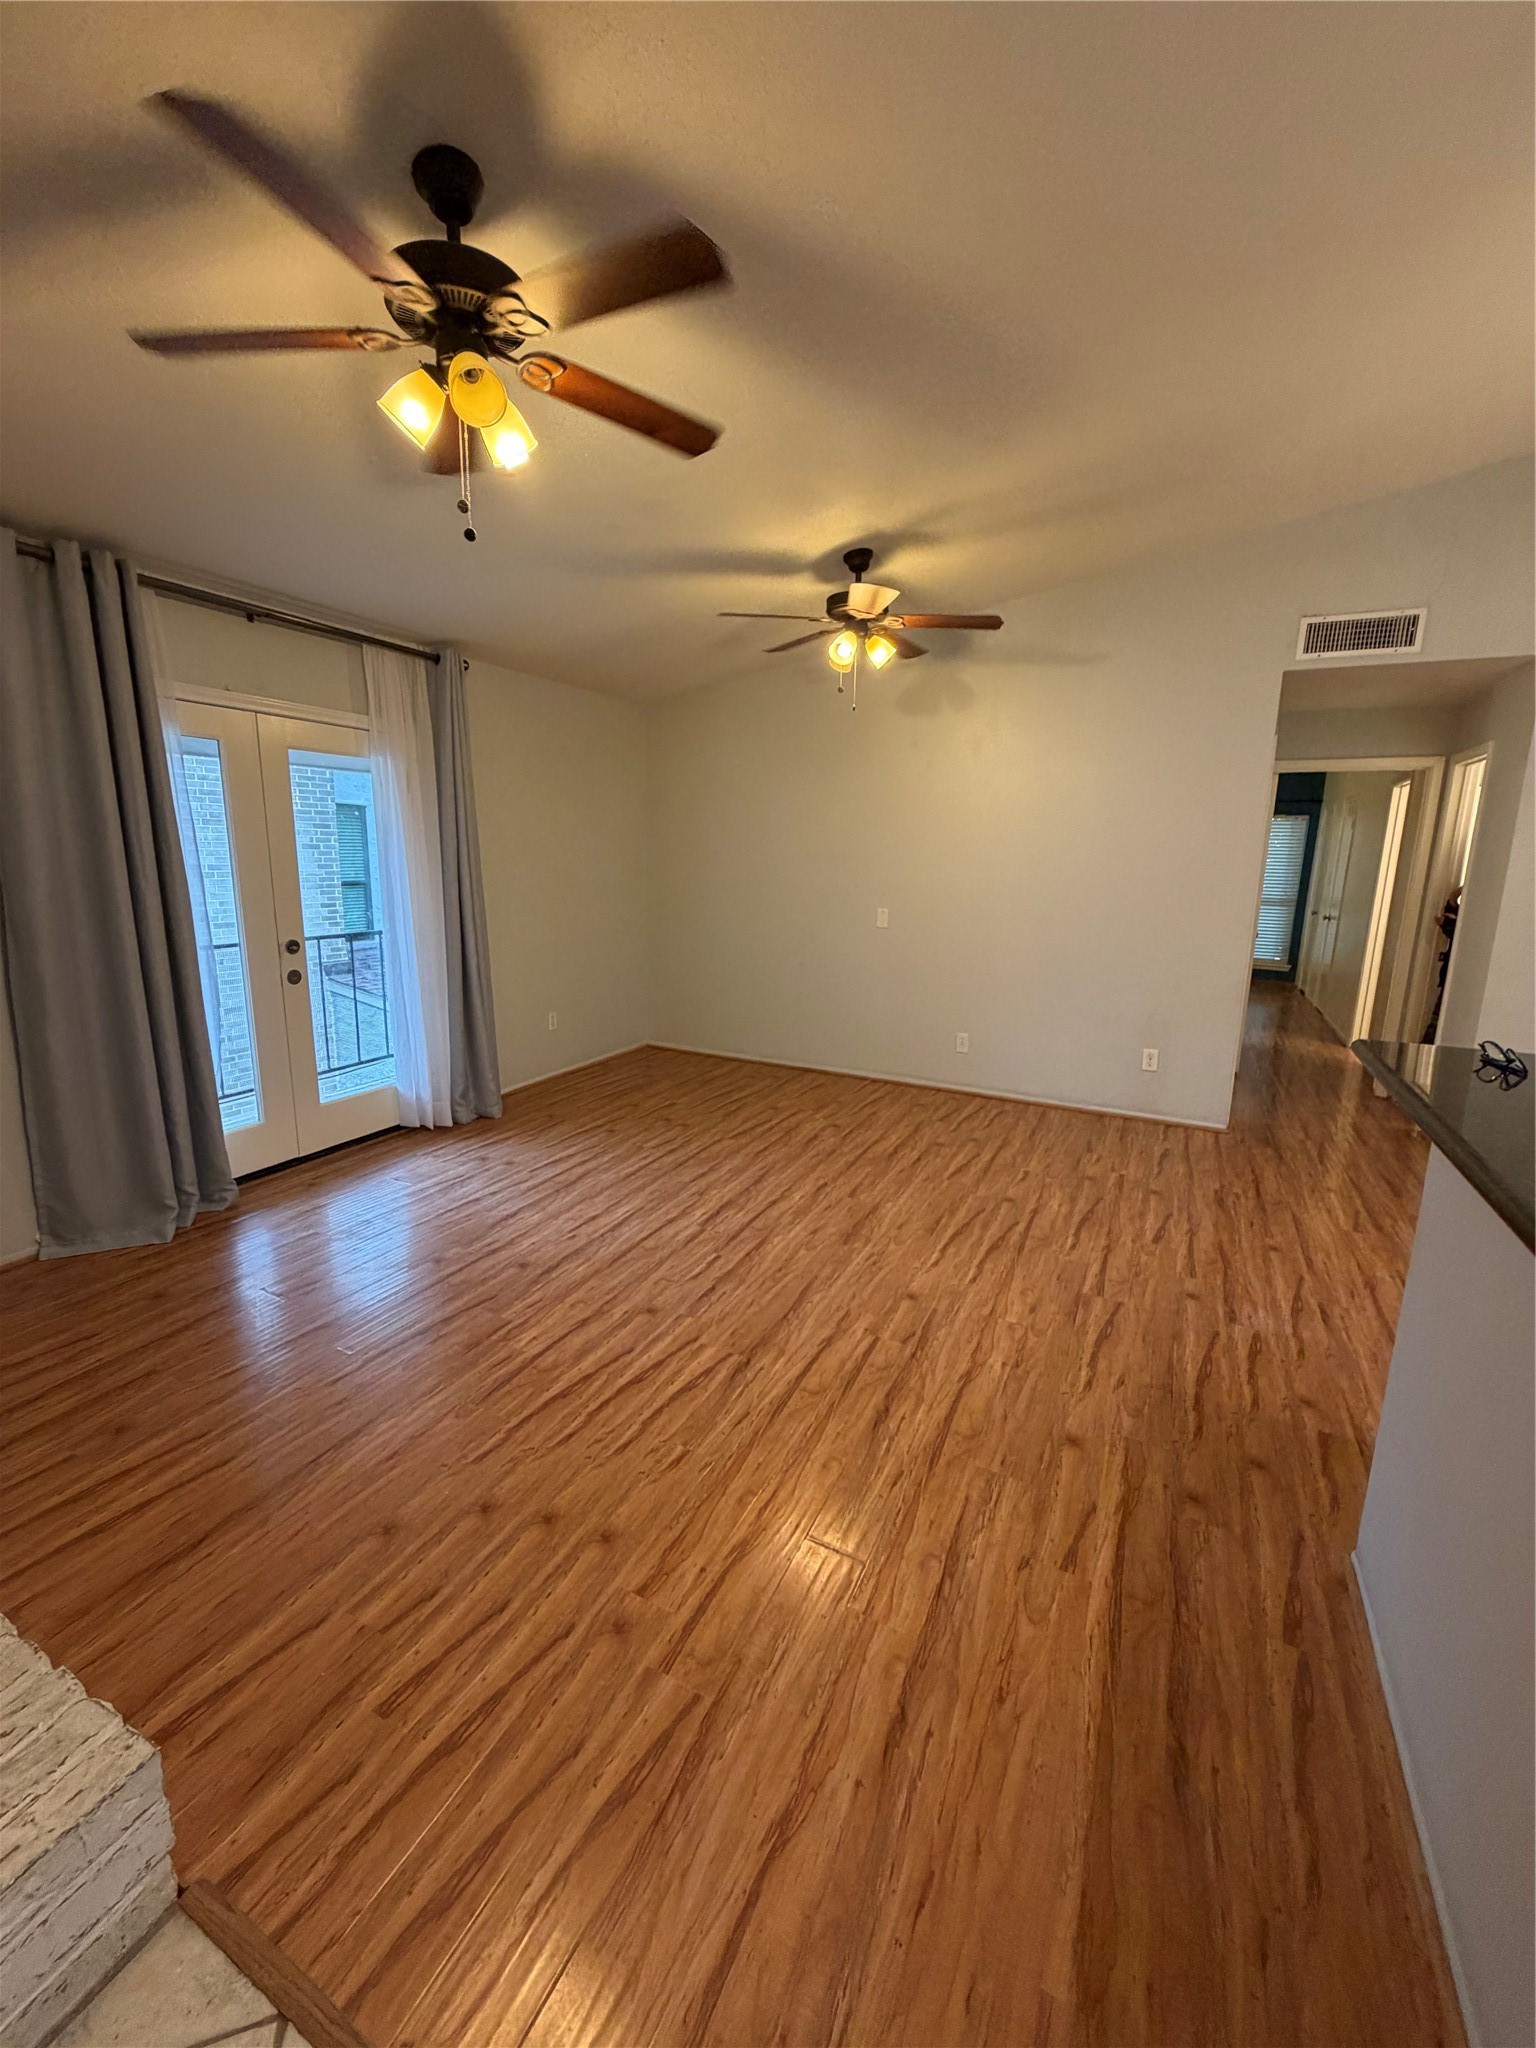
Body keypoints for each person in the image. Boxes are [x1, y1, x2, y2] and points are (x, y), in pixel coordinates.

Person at [1424, 883, 1462, 1042]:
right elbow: (1452, 900)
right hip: (1450, 973)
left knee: (1445, 1019)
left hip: (1459, 976)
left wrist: (1449, 923)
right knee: (1438, 1017)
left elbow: (1453, 927)